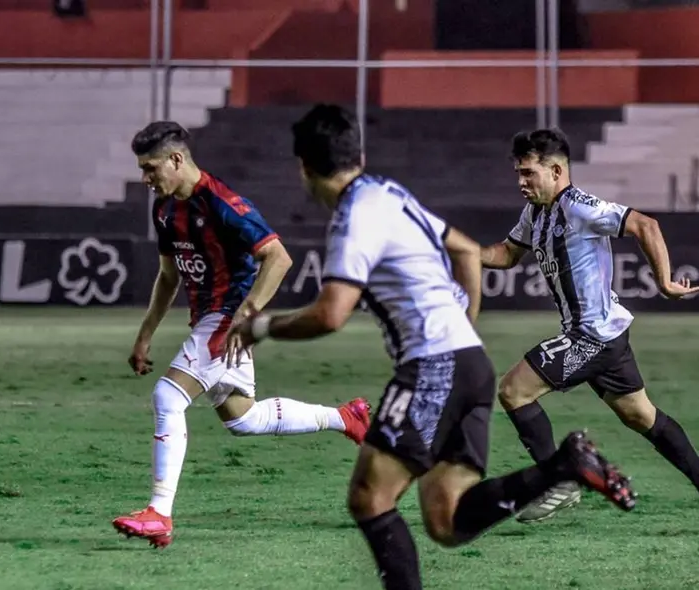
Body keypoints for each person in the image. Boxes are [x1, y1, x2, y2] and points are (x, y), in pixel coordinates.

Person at [227, 105, 636, 590]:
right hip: (468, 364)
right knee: (446, 519)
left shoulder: (352, 215)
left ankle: (564, 465)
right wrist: (465, 327)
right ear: (355, 153)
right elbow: (464, 249)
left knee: (369, 498)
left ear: (305, 168)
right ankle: (562, 467)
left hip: (433, 369)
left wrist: (260, 327)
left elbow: (332, 312)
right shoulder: (388, 192)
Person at [111, 121, 372, 548]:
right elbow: (167, 277)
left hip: (227, 316)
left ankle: (159, 513)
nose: (145, 179)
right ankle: (345, 418)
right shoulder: (164, 209)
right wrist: (144, 337)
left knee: (168, 396)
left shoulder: (222, 201)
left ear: (177, 160)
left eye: (151, 168)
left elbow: (278, 257)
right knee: (244, 418)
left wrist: (246, 316)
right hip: (208, 320)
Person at [480, 127, 699, 523]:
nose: (521, 182)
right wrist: (462, 252)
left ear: (557, 172)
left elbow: (645, 225)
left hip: (592, 336)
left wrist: (665, 284)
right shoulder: (535, 212)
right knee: (640, 415)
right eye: (518, 173)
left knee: (513, 391)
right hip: (606, 335)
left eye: (529, 173)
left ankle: (558, 483)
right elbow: (508, 254)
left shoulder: (579, 206)